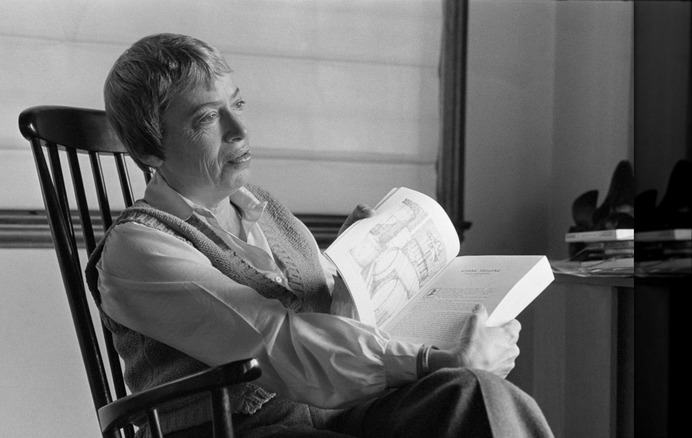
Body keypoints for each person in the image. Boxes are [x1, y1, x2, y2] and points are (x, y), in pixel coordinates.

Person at [85, 33, 553, 438]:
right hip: (238, 430)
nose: (240, 129)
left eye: (238, 104)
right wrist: (434, 361)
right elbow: (275, 341)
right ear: (149, 147)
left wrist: (353, 278)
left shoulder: (267, 212)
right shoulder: (138, 249)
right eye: (208, 118)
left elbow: (330, 330)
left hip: (334, 416)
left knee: (474, 394)